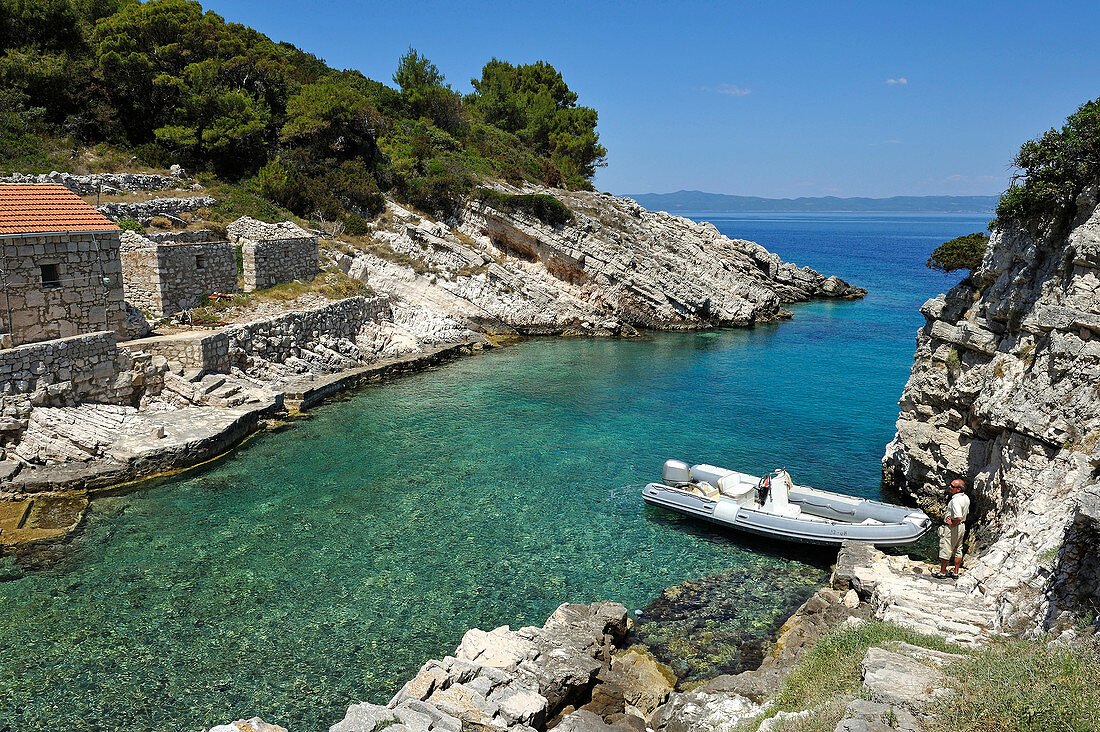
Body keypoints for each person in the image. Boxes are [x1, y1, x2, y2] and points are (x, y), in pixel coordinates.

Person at [936, 479, 971, 579]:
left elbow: (958, 516)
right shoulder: (966, 497)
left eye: (952, 486)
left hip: (954, 527)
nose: (949, 487)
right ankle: (955, 572)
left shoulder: (955, 500)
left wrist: (952, 523)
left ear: (958, 489)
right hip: (962, 527)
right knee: (958, 549)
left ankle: (942, 572)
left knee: (946, 548)